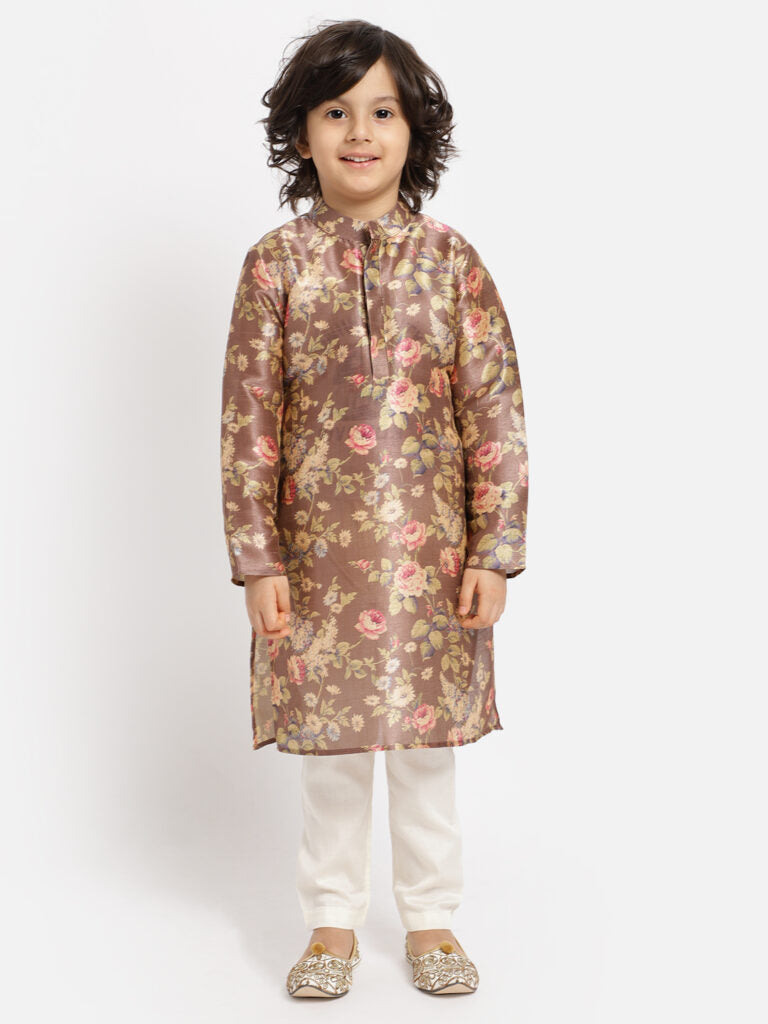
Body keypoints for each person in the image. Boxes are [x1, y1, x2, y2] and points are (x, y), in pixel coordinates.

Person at [220, 18, 528, 998]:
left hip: (434, 563)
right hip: (317, 563)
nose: (360, 132)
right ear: (300, 132)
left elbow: (494, 411)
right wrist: (259, 560)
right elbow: (248, 420)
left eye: (383, 111)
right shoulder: (276, 265)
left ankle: (431, 916)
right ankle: (331, 923)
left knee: (426, 749)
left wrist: (494, 549)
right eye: (336, 111)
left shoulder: (452, 263)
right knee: (335, 753)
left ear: (413, 130)